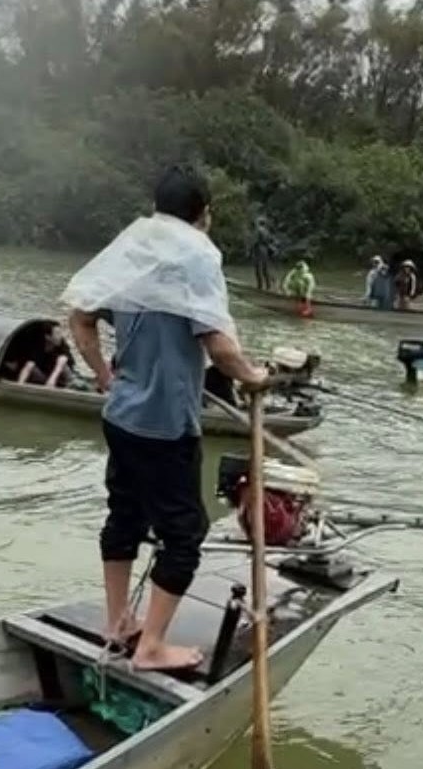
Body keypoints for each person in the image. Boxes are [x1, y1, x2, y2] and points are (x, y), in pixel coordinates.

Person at [63, 164, 267, 673]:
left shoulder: (133, 251)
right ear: (204, 214)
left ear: (157, 207)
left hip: (121, 415)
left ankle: (118, 622)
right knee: (184, 534)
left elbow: (80, 318)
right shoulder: (197, 257)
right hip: (166, 424)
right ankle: (151, 646)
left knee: (124, 517)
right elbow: (220, 347)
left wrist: (103, 374)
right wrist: (254, 377)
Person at [250, 217, 276, 291]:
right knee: (265, 268)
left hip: (258, 250)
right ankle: (268, 285)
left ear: (259, 223)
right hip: (265, 250)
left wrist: (251, 250)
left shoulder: (258, 231)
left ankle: (260, 286)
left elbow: (255, 241)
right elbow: (270, 240)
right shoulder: (267, 231)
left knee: (258, 268)